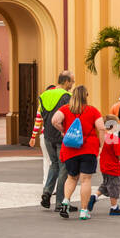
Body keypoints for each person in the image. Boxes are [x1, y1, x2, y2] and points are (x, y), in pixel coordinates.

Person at [51, 85, 107, 220]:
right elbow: (101, 128)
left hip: (71, 148)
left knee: (71, 178)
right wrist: (101, 145)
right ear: (85, 96)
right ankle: (84, 210)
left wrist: (63, 130)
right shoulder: (93, 111)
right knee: (86, 180)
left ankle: (65, 201)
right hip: (88, 148)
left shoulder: (65, 109)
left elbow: (54, 120)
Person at [38, 71, 74, 209]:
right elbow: (70, 115)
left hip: (47, 135)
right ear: (66, 81)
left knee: (54, 164)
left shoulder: (44, 95)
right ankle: (60, 202)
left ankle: (47, 192)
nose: (72, 85)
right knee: (63, 167)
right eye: (71, 82)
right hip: (61, 135)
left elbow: (42, 114)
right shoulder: (67, 96)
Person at [87, 117, 120, 216]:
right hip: (113, 167)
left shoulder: (102, 137)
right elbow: (119, 155)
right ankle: (114, 208)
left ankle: (94, 196)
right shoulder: (114, 139)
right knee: (114, 186)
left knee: (106, 184)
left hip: (104, 166)